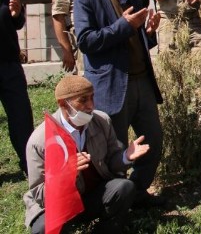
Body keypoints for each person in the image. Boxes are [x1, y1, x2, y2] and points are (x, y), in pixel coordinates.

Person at [74, 0, 165, 206]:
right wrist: (123, 26)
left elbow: (140, 43)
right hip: (111, 85)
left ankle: (136, 193)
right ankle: (115, 200)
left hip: (141, 82)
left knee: (153, 141)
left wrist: (148, 32)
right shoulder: (87, 0)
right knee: (115, 148)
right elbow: (86, 41)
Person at [23, 76, 150, 233]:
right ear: (63, 103)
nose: (90, 105)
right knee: (43, 228)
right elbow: (39, 194)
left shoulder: (101, 121)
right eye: (82, 100)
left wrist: (125, 157)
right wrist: (65, 175)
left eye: (92, 98)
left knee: (124, 187)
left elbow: (111, 161)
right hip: (59, 204)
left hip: (92, 196)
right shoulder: (40, 141)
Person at [0, 0, 33, 174]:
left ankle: (29, 162)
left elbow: (17, 23)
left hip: (9, 64)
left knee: (20, 115)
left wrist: (17, 14)